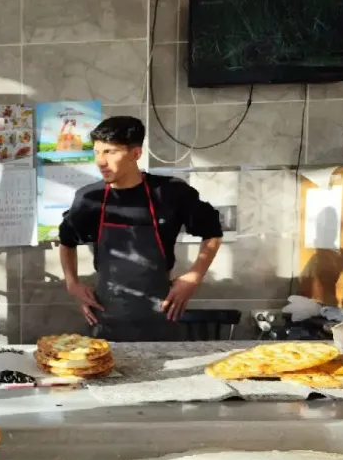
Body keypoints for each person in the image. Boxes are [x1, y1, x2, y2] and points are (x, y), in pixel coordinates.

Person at [58, 116, 223, 341]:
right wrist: (72, 283)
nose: (100, 162)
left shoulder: (170, 192)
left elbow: (212, 231)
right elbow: (67, 241)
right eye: (97, 152)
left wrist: (193, 277)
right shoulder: (89, 198)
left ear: (136, 154)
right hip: (106, 317)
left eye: (110, 152)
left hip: (162, 315)